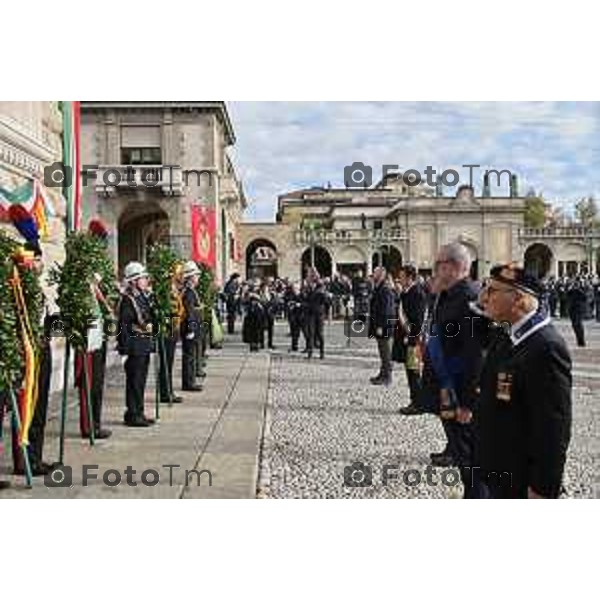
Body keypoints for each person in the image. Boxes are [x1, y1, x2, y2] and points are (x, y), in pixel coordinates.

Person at [477, 263, 572, 498]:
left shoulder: (546, 348)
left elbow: (552, 428)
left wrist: (542, 487)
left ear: (518, 299)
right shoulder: (506, 333)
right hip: (498, 465)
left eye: (492, 291)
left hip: (520, 478)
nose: (483, 297)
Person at [419, 243, 489, 498]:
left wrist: (468, 404)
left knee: (471, 457)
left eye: (438, 265)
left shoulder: (470, 298)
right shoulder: (448, 293)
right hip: (447, 388)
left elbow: (475, 355)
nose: (434, 270)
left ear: (454, 266)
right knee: (462, 455)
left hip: (459, 391)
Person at [117, 261, 156, 427]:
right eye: (142, 278)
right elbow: (124, 327)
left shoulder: (142, 297)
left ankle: (138, 412)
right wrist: (124, 350)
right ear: (133, 281)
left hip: (143, 344)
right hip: (134, 346)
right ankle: (133, 414)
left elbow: (149, 318)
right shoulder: (128, 300)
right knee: (134, 382)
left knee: (141, 381)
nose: (145, 281)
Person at [397, 265, 427, 412]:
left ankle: (418, 404)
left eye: (402, 277)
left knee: (414, 372)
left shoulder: (418, 294)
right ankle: (415, 401)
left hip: (414, 341)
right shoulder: (407, 293)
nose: (399, 279)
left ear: (410, 278)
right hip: (408, 339)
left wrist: (411, 339)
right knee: (410, 372)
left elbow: (418, 322)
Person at [368, 267, 396, 386]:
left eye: (375, 273)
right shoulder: (378, 288)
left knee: (386, 352)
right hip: (379, 325)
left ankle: (387, 376)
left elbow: (386, 311)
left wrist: (380, 326)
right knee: (382, 350)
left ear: (381, 275)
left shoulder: (385, 290)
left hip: (384, 326)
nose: (373, 275)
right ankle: (382, 373)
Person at [180, 261, 204, 391]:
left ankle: (190, 380)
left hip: (194, 327)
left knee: (191, 355)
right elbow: (190, 313)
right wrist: (191, 328)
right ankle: (188, 382)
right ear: (190, 277)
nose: (197, 277)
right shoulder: (189, 292)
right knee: (189, 356)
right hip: (191, 328)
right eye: (195, 275)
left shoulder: (192, 291)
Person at [302, 268, 329, 360]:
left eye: (311, 274)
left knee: (320, 333)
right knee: (310, 333)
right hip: (310, 312)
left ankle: (322, 353)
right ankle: (310, 353)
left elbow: (325, 300)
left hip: (319, 312)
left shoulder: (321, 286)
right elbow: (305, 298)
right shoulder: (307, 286)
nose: (310, 276)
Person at [242, 286, 265, 352]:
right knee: (251, 335)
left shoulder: (259, 307)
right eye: (252, 301)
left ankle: (256, 345)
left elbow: (261, 316)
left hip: (257, 323)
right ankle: (252, 346)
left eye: (255, 301)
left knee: (257, 335)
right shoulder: (250, 307)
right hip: (251, 323)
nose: (253, 302)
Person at [566, 277, 587, 347]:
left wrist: (578, 289)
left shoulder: (582, 287)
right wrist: (570, 288)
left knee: (578, 324)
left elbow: (585, 297)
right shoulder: (571, 288)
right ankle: (578, 340)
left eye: (577, 282)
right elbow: (567, 295)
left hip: (579, 309)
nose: (575, 284)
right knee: (574, 325)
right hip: (572, 309)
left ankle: (582, 340)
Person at [286, 282, 304, 352]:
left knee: (305, 332)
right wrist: (289, 304)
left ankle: (309, 346)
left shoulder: (302, 295)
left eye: (296, 288)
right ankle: (294, 346)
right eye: (293, 288)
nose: (294, 289)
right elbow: (286, 301)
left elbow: (305, 303)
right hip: (293, 316)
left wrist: (299, 305)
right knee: (294, 332)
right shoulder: (290, 295)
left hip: (301, 315)